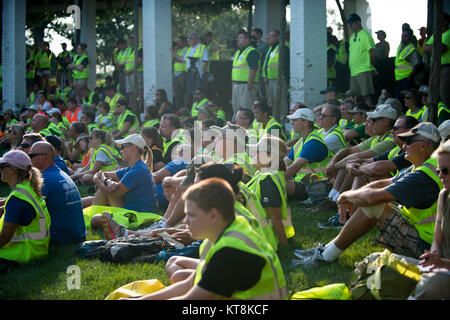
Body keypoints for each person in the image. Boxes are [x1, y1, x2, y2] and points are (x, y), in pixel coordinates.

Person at [295, 122, 442, 266]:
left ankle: (326, 256)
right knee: (371, 196)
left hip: (427, 248)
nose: (404, 146)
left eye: (409, 141)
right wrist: (354, 193)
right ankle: (326, 250)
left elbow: (372, 195)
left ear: (424, 145)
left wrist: (345, 196)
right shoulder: (422, 166)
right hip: (424, 238)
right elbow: (383, 182)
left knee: (373, 205)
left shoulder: (424, 175)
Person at [120, 177, 287, 300]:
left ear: (213, 215)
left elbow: (190, 300)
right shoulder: (224, 232)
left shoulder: (231, 249)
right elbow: (189, 284)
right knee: (181, 279)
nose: (185, 221)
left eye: (191, 215)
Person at [87, 134, 157, 225]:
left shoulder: (138, 170)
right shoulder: (133, 167)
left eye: (123, 147)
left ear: (134, 147)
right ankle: (90, 217)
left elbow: (113, 193)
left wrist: (97, 180)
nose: (121, 151)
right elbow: (103, 173)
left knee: (95, 219)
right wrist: (107, 181)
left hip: (138, 216)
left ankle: (89, 220)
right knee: (103, 190)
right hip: (132, 210)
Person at [410, 140, 450, 300]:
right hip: (440, 266)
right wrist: (433, 258)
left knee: (426, 287)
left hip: (445, 269)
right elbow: (437, 241)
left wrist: (441, 264)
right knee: (377, 261)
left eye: (446, 171)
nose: (440, 176)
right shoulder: (445, 195)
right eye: (439, 170)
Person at [0, 150, 51, 270]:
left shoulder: (17, 199)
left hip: (24, 254)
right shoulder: (28, 189)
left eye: (2, 167)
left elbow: (4, 238)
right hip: (38, 250)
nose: (0, 170)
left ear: (13, 170)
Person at [29, 142, 86, 245]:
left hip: (61, 237)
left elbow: (25, 207)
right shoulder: (60, 173)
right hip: (77, 234)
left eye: (31, 156)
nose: (29, 159)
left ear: (42, 158)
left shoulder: (44, 180)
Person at [247, 135, 295, 247]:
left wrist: (284, 245)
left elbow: (276, 218)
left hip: (263, 238)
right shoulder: (262, 174)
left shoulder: (267, 180)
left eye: (257, 151)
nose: (253, 153)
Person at [347, 13, 377, 107]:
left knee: (366, 96)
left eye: (352, 23)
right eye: (349, 24)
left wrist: (370, 65)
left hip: (364, 70)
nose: (350, 26)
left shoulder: (365, 35)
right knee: (354, 97)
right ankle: (358, 116)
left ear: (358, 22)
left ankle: (368, 115)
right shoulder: (352, 37)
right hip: (354, 72)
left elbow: (373, 53)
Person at [261, 29, 290, 120]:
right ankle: (275, 118)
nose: (270, 38)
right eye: (269, 36)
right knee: (272, 101)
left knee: (281, 100)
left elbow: (286, 64)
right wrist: (265, 76)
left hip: (279, 79)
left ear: (278, 37)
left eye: (272, 36)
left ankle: (282, 118)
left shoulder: (283, 48)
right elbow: (267, 64)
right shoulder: (270, 48)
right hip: (270, 79)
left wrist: (286, 79)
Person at [424, 12, 450, 108]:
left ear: (446, 21)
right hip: (435, 68)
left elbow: (442, 48)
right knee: (436, 95)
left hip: (446, 68)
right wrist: (435, 47)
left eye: (440, 19)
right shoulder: (436, 35)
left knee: (446, 95)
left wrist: (433, 48)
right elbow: (425, 49)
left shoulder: (449, 33)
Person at [231, 31, 261, 116]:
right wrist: (233, 83)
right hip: (237, 85)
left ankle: (248, 128)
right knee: (236, 108)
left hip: (246, 86)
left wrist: (249, 84)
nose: (238, 40)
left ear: (247, 40)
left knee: (246, 109)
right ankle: (238, 128)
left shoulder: (252, 52)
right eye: (238, 38)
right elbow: (235, 69)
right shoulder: (237, 52)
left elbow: (253, 69)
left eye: (240, 38)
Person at [394, 28, 421, 99]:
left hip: (407, 79)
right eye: (402, 35)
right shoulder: (401, 46)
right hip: (399, 78)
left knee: (407, 99)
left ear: (410, 37)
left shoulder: (411, 49)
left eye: (406, 36)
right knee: (400, 100)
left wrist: (410, 77)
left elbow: (417, 64)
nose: (403, 37)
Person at [185, 32, 209, 103]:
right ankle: (194, 107)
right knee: (191, 92)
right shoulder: (189, 49)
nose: (188, 40)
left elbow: (205, 61)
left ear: (196, 39)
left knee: (199, 92)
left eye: (190, 39)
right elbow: (184, 59)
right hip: (190, 73)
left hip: (199, 74)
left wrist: (202, 74)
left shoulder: (202, 48)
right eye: (188, 39)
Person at [172, 36, 189, 109]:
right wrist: (175, 54)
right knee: (176, 91)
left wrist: (175, 54)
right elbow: (173, 59)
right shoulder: (178, 51)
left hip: (182, 72)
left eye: (180, 41)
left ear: (184, 42)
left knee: (184, 90)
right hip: (175, 72)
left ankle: (185, 106)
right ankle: (177, 106)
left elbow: (182, 59)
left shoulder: (186, 50)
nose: (178, 43)